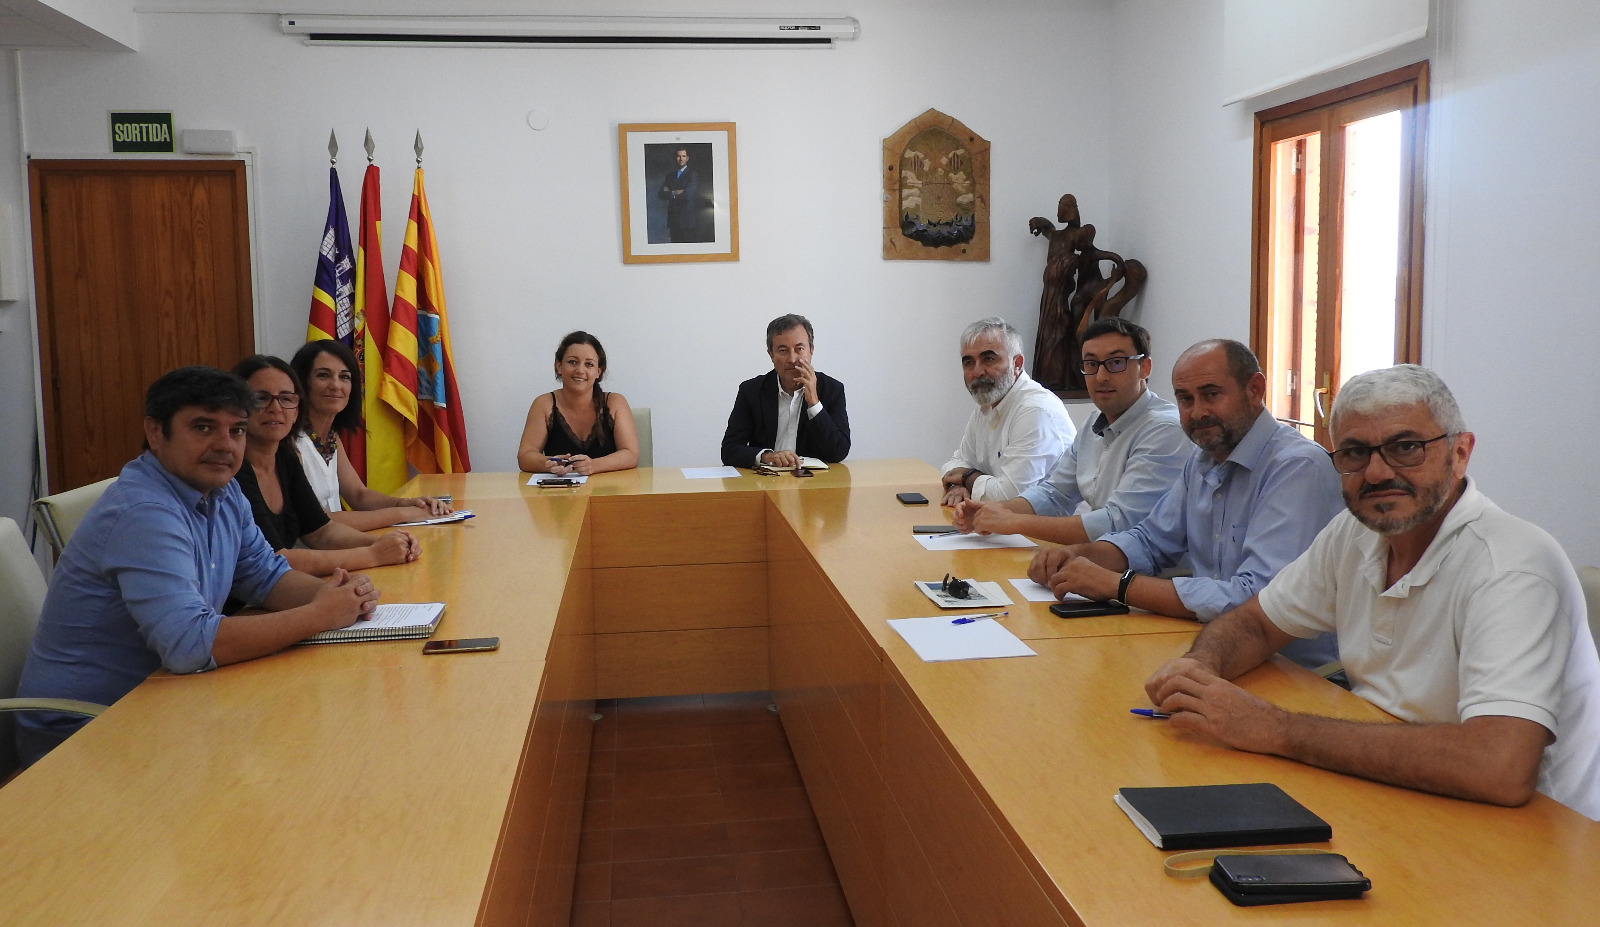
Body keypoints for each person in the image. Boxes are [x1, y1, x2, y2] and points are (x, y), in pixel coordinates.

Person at [1144, 365, 1600, 820]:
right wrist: (1201, 669)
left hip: (1535, 838)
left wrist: (1274, 728)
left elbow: (1498, 766)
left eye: (1406, 448)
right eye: (1355, 453)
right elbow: (1257, 623)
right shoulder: (1354, 532)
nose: (1378, 472)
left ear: (1460, 453)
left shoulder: (1512, 567)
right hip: (1393, 793)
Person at [13, 366, 380, 767]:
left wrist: (333, 595)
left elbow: (264, 575)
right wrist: (319, 614)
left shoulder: (224, 491)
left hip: (168, 700)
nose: (225, 445)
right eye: (204, 427)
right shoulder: (145, 512)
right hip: (84, 731)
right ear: (156, 432)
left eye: (236, 430)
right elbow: (188, 646)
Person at [1028, 339, 1342, 668]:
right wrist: (1080, 554)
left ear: (1255, 389)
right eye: (1185, 399)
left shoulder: (1296, 467)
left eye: (1211, 394)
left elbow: (1256, 599)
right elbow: (1150, 540)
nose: (1198, 413)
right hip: (1214, 647)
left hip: (1297, 672)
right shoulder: (1204, 458)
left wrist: (1118, 585)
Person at [953, 317, 1188, 542]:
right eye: (1091, 364)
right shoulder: (1095, 421)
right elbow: (1055, 493)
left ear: (1144, 367)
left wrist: (1013, 521)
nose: (1101, 376)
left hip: (1154, 575)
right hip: (1102, 558)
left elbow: (1119, 522)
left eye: (1116, 363)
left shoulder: (1164, 429)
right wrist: (987, 512)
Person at [233, 355, 420, 575]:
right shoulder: (234, 468)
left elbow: (322, 531)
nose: (276, 408)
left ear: (296, 408)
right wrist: (374, 553)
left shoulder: (284, 458)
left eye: (286, 398)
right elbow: (273, 560)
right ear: (237, 407)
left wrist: (385, 543)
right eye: (261, 398)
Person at [289, 339, 452, 530]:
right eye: (323, 375)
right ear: (302, 382)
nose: (336, 385)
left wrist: (408, 503)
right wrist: (403, 514)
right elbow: (318, 520)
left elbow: (358, 495)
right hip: (307, 555)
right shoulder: (290, 442)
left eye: (345, 377)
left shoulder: (330, 437)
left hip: (335, 547)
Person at [938, 317, 1075, 506]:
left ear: (1017, 363)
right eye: (969, 362)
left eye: (989, 359)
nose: (977, 372)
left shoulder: (1035, 411)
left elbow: (1008, 498)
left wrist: (967, 475)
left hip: (1049, 531)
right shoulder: (987, 405)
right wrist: (957, 484)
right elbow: (955, 462)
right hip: (1006, 525)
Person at [721, 314, 850, 469]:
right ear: (771, 355)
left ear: (811, 350)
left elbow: (838, 452)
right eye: (783, 350)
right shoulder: (751, 391)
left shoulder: (832, 389)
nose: (792, 359)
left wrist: (814, 403)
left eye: (799, 349)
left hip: (813, 483)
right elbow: (729, 450)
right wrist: (766, 456)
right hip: (766, 481)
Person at [516, 331, 641, 476]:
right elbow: (525, 456)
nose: (580, 370)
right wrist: (548, 464)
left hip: (609, 493)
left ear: (598, 371)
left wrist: (593, 465)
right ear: (559, 366)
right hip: (558, 495)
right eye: (572, 362)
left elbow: (631, 454)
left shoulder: (615, 403)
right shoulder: (543, 404)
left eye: (589, 364)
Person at [658, 147, 701, 243]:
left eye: (683, 156)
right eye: (678, 156)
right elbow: (661, 194)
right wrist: (675, 192)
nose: (681, 159)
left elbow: (687, 195)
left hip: (687, 222)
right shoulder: (670, 176)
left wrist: (670, 192)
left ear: (687, 158)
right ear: (675, 158)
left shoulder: (692, 175)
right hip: (674, 221)